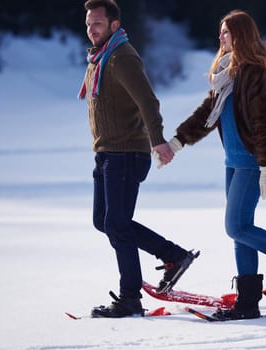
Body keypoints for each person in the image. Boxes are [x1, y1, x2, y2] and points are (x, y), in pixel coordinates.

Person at [162, 10, 266, 320]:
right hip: (233, 162)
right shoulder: (228, 75)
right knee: (242, 231)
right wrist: (177, 141)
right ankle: (247, 303)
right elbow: (205, 114)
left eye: (226, 32)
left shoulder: (257, 72)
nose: (221, 38)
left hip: (250, 162)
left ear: (241, 35)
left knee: (235, 226)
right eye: (220, 33)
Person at [78, 0, 198, 318]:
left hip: (126, 153)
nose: (92, 29)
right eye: (89, 23)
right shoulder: (99, 58)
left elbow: (148, 101)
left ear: (114, 25)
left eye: (98, 23)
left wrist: (157, 141)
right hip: (106, 153)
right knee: (104, 220)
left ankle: (130, 298)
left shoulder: (122, 57)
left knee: (116, 223)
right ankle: (173, 255)